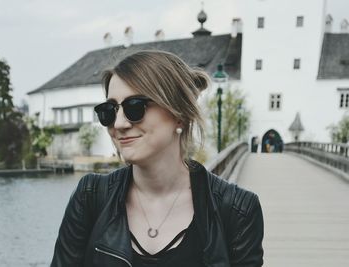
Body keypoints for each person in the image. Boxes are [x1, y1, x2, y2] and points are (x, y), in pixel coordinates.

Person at [51, 50, 264, 267]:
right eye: (110, 111)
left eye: (135, 107)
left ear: (179, 116)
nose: (119, 124)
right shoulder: (90, 196)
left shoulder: (238, 209)